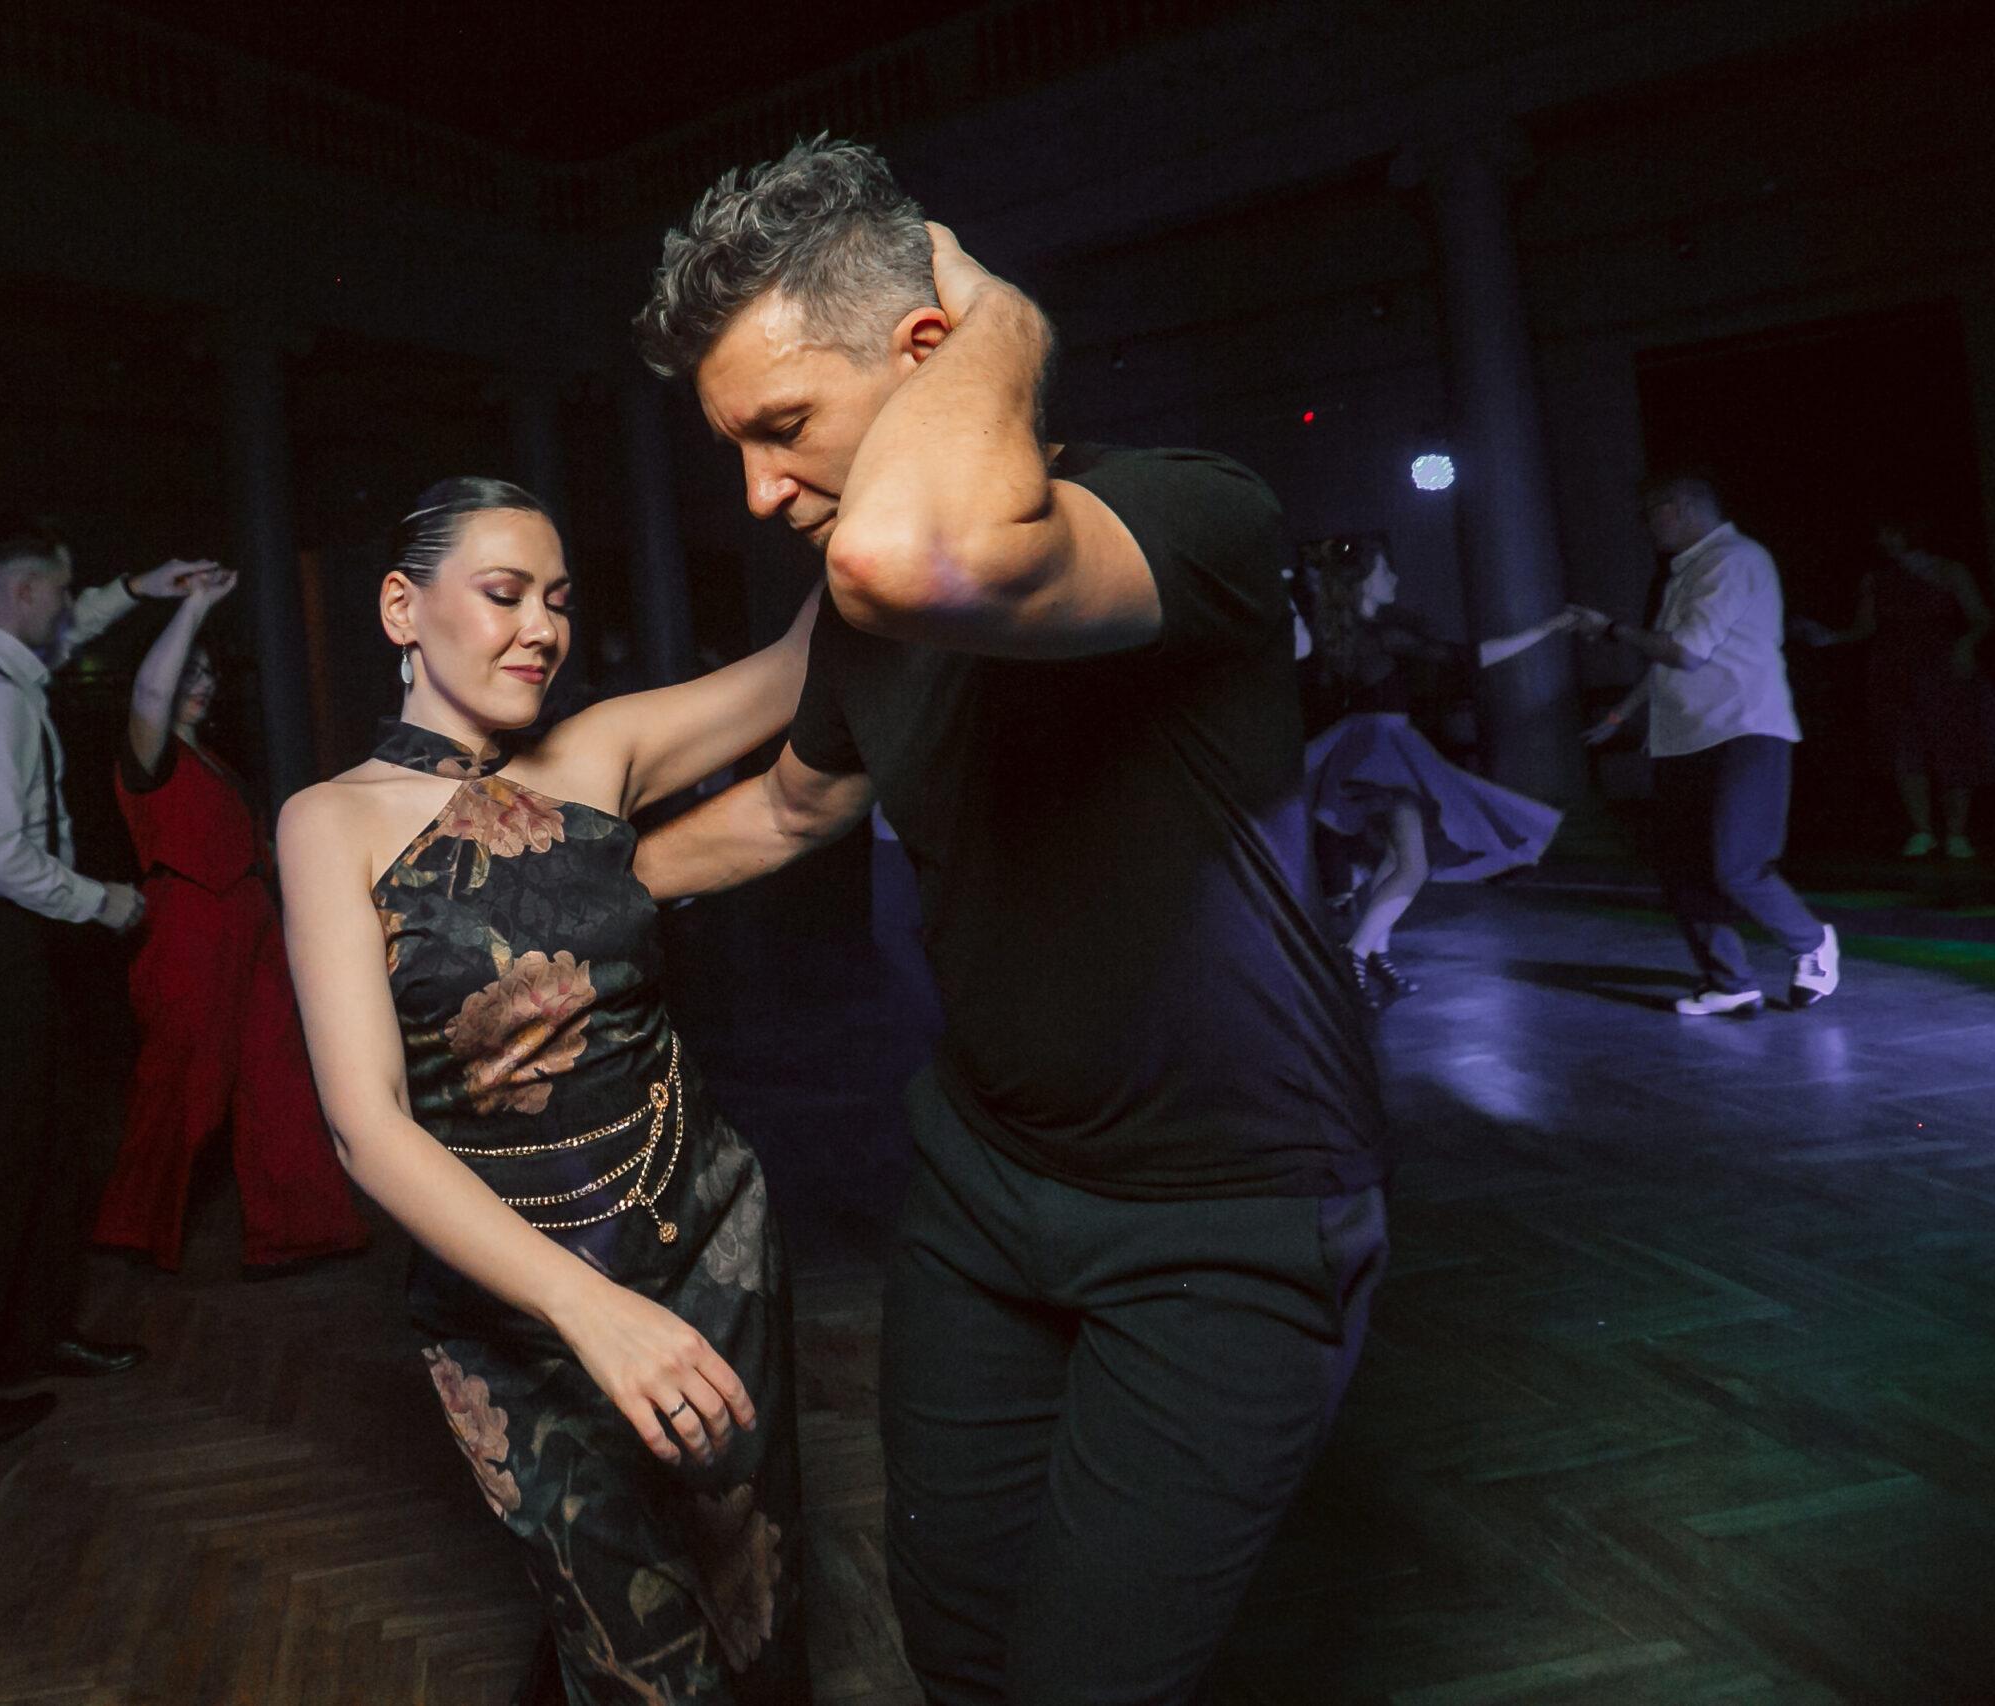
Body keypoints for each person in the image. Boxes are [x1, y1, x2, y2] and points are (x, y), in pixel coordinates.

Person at [626, 137, 1388, 1705]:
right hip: (985, 1189)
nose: (758, 492)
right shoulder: (862, 613)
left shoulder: (1185, 512)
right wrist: (524, 909)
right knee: (957, 1641)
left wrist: (1006, 315)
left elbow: (926, 553)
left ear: (931, 347)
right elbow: (790, 808)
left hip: (1226, 1222)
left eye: (782, 428)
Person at [276, 478, 823, 1700]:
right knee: (632, 1645)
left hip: (705, 1231)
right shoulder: (329, 822)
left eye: (559, 600)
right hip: (516, 1299)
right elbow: (366, 1126)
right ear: (402, 609)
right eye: (505, 593)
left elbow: (801, 665)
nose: (543, 628)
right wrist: (591, 1311)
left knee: (757, 1590)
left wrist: (875, 468)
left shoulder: (598, 749)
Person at [0, 518, 189, 1476]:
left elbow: (67, 633)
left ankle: (32, 1339)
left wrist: (137, 588)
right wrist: (105, 902)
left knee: (55, 1149)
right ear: (24, 594)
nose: (69, 610)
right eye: (59, 593)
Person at [89, 568, 370, 1274]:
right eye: (190, 671)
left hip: (250, 924)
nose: (203, 684)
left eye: (209, 673)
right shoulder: (147, 754)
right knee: (182, 1081)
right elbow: (150, 695)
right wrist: (193, 607)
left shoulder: (212, 759)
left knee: (277, 1075)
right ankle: (130, 1231)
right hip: (189, 927)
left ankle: (301, 1233)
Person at [1570, 475, 1840, 1016]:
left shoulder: (1732, 559)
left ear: (1683, 506)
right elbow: (1669, 660)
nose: (1647, 525)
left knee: (1736, 864)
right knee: (1686, 870)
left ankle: (1811, 941)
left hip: (1744, 728)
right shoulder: (1688, 570)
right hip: (1684, 738)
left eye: (1653, 512)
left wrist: (1612, 629)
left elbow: (1686, 652)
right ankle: (1728, 982)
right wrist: (1623, 713)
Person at [1299, 536, 1569, 1010]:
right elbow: (1469, 657)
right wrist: (1549, 626)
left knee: (1395, 858)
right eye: (1386, 571)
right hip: (1382, 751)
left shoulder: (1341, 635)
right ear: (1363, 582)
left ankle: (1374, 954)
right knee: (1412, 864)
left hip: (1366, 748)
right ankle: (1355, 955)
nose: (1395, 578)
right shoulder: (1380, 636)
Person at [1794, 522, 1995, 857]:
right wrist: (1829, 637)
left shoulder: (1949, 570)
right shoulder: (1876, 578)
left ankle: (1957, 832)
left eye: (1892, 532)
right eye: (1881, 534)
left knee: (1952, 745)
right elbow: (1865, 628)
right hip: (1892, 667)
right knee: (1905, 749)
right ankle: (1922, 830)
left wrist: (1967, 642)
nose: (1884, 540)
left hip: (1941, 665)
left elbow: (1981, 617)